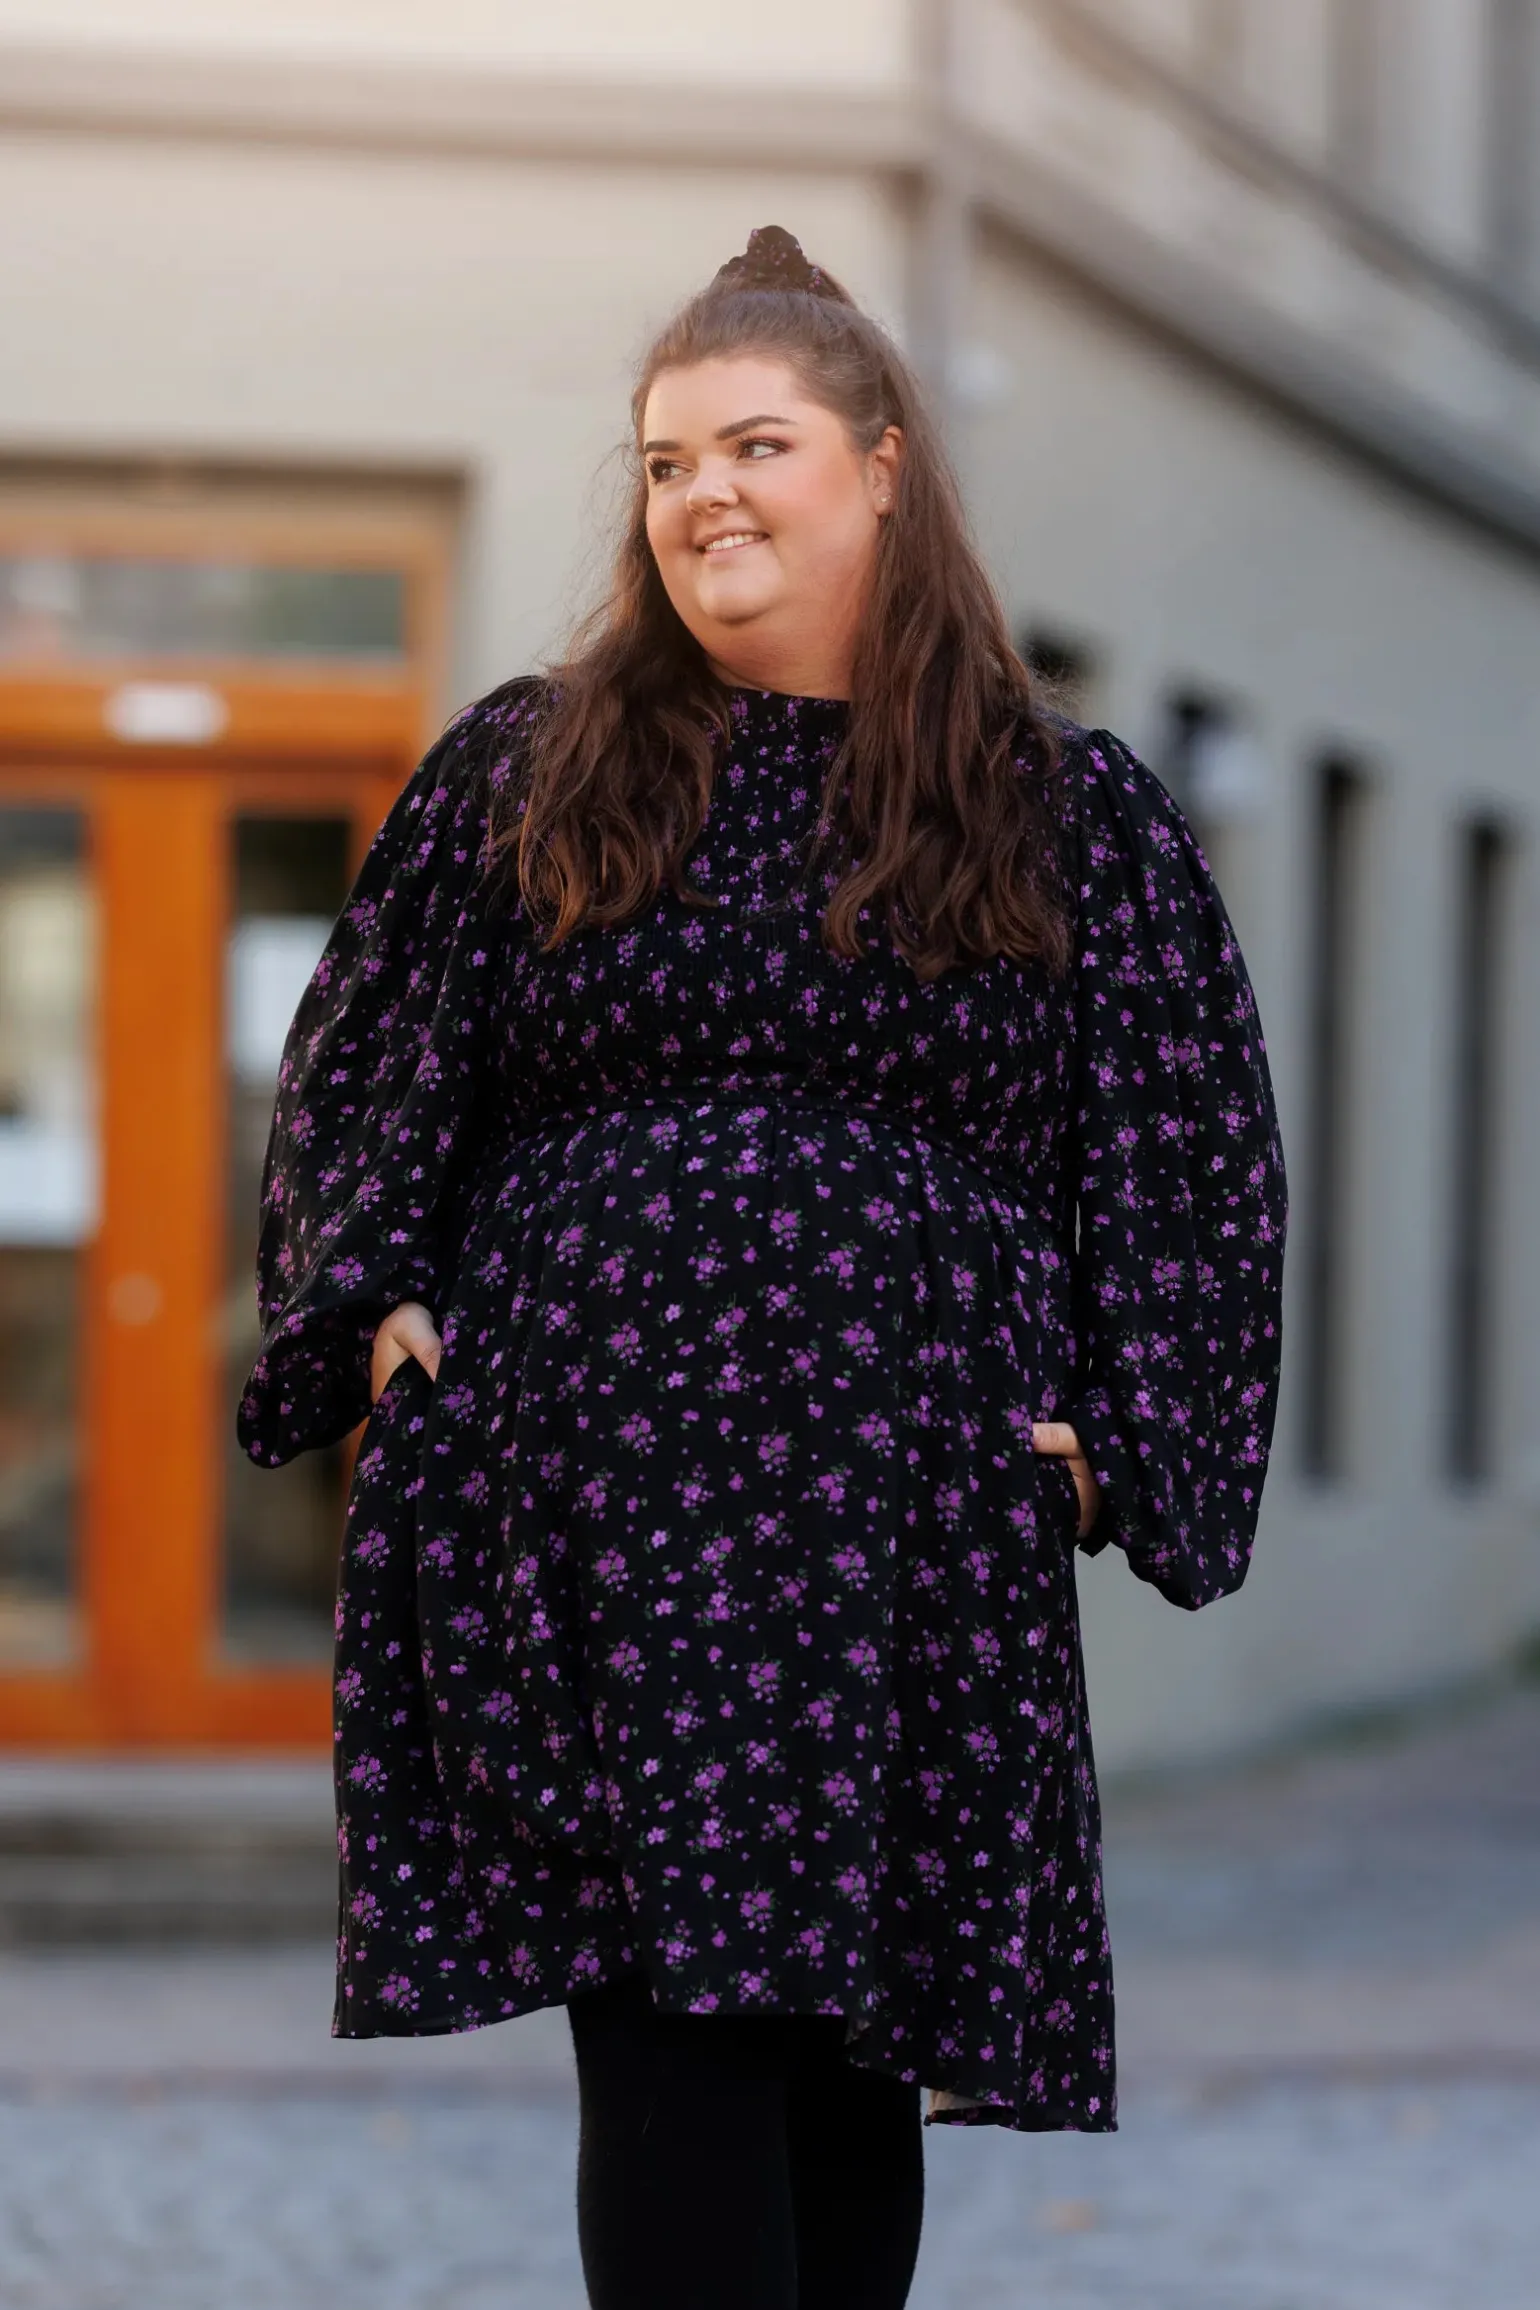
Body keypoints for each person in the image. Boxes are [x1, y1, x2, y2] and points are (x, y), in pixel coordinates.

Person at [240, 225, 1287, 2309]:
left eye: (754, 444)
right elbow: (368, 1061)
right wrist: (372, 1311)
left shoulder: (1054, 805)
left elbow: (1189, 1152)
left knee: (846, 2065)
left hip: (903, 1525)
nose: (701, 493)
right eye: (663, 462)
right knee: (669, 2049)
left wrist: (1125, 1441)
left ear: (882, 467)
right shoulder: (531, 770)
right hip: (592, 1508)